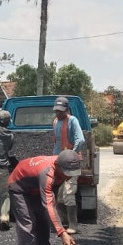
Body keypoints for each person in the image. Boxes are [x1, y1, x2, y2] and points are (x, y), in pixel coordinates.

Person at [8, 149, 79, 245]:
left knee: (43, 223)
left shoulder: (63, 167)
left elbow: (53, 198)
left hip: (35, 189)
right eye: (67, 173)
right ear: (58, 166)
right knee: (28, 225)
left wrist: (55, 222)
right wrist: (61, 232)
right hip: (20, 189)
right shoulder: (47, 173)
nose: (69, 177)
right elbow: (48, 204)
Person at [51, 96, 85, 234]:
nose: (58, 113)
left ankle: (73, 225)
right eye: (56, 111)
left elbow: (80, 139)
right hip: (59, 164)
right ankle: (63, 222)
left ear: (66, 110)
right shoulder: (55, 122)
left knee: (69, 194)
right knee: (59, 196)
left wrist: (72, 153)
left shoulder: (72, 120)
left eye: (61, 111)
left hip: (71, 164)